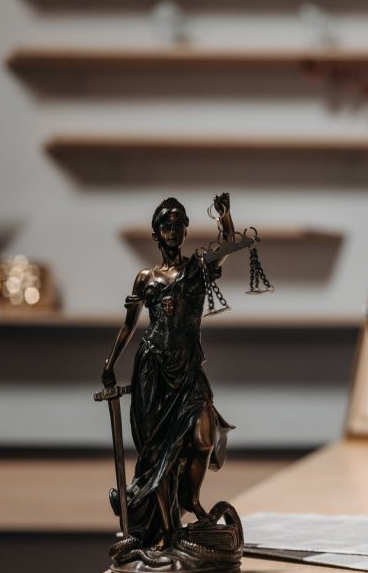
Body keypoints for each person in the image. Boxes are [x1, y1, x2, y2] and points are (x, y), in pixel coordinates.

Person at [100, 195, 240, 559]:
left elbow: (228, 244)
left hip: (188, 368)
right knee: (159, 455)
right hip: (153, 371)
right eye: (167, 224)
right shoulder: (145, 278)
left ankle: (191, 499)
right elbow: (129, 324)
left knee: (204, 435)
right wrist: (110, 363)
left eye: (179, 224)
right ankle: (167, 532)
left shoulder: (197, 268)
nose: (173, 230)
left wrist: (225, 217)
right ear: (156, 233)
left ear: (185, 230)